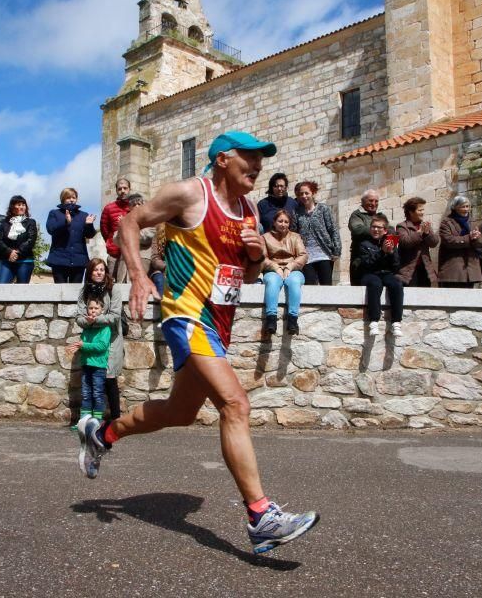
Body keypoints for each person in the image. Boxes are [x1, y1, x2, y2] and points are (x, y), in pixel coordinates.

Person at [77, 130, 319, 555]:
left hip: (219, 323)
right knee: (235, 404)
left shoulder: (248, 212)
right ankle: (261, 516)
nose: (259, 166)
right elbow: (129, 223)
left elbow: (243, 277)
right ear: (224, 159)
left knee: (180, 412)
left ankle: (102, 436)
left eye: (262, 159)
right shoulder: (190, 194)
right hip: (185, 314)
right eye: (251, 157)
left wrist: (252, 254)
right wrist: (136, 276)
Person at [75, 258, 125, 427]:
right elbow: (79, 318)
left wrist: (93, 320)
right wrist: (87, 321)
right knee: (90, 382)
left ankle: (116, 419)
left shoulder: (114, 289)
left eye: (102, 269)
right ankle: (92, 420)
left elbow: (115, 316)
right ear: (90, 272)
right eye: (95, 270)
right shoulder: (84, 291)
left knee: (110, 378)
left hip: (110, 339)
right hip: (92, 340)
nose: (99, 272)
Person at [67, 297, 113, 427]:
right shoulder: (87, 327)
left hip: (99, 366)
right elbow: (83, 343)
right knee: (86, 394)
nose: (93, 311)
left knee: (98, 393)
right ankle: (84, 421)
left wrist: (83, 345)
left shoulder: (105, 328)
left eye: (96, 308)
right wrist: (78, 346)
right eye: (91, 308)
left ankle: (97, 421)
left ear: (102, 310)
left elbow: (101, 346)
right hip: (86, 364)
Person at [355, 214, 403, 336]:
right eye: (373, 227)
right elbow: (368, 264)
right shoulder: (364, 244)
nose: (375, 230)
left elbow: (396, 266)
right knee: (375, 283)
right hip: (369, 273)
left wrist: (391, 253)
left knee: (396, 284)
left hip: (386, 273)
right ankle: (374, 320)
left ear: (385, 230)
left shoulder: (390, 242)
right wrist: (382, 252)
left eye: (379, 228)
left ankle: (396, 321)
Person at [261, 209, 307, 335]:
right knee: (272, 282)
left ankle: (293, 320)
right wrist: (275, 267)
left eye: (286, 222)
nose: (283, 224)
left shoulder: (295, 237)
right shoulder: (265, 237)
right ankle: (271, 319)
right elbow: (262, 258)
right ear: (274, 222)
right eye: (280, 221)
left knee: (294, 282)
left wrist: (290, 266)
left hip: (293, 269)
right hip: (272, 269)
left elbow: (303, 255)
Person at [45, 188, 97, 283]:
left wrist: (89, 224)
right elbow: (51, 229)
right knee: (60, 292)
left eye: (74, 197)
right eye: (68, 197)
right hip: (59, 259)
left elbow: (89, 235)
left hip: (79, 260)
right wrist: (66, 223)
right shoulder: (54, 213)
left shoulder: (83, 215)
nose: (72, 200)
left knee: (75, 293)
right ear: (63, 199)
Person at [294, 181, 340, 285]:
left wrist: (336, 250)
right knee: (309, 286)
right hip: (306, 257)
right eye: (301, 194)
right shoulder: (297, 213)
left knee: (326, 286)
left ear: (313, 193)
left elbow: (333, 229)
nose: (304, 196)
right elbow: (294, 233)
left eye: (306, 193)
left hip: (324, 255)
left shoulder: (323, 209)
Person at [437, 195, 482, 288]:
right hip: (453, 269)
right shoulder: (446, 222)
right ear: (455, 208)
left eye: (468, 206)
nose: (466, 209)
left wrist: (477, 238)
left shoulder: (472, 222)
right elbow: (449, 240)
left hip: (470, 269)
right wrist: (469, 237)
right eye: (463, 206)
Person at [348, 189, 390, 286]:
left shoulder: (381, 215)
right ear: (363, 201)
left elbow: (390, 229)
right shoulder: (356, 215)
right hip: (360, 262)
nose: (374, 203)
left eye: (376, 201)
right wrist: (379, 230)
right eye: (370, 201)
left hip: (379, 259)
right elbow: (357, 229)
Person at [396, 197, 439, 287]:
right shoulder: (402, 226)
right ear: (411, 212)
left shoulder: (424, 225)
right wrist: (419, 233)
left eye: (423, 210)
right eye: (420, 210)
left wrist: (427, 233)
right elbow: (405, 242)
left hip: (425, 268)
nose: (422, 212)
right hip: (409, 270)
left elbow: (434, 243)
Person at [0, 196, 38, 284]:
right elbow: (0, 241)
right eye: (18, 205)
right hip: (8, 260)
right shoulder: (4, 223)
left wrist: (18, 252)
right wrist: (9, 252)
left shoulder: (31, 222)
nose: (21, 207)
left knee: (22, 290)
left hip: (25, 260)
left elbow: (31, 239)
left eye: (23, 205)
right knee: (1, 287)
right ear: (12, 207)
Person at [100, 178, 132, 282]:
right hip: (114, 254)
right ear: (116, 191)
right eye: (119, 189)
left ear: (129, 189)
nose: (122, 191)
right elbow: (104, 229)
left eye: (125, 188)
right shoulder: (108, 209)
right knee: (111, 285)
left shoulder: (135, 207)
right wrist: (111, 243)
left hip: (131, 254)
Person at [148, 224, 167, 296]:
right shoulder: (158, 235)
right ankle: (163, 305)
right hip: (161, 271)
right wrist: (166, 265)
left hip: (179, 270)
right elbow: (155, 258)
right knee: (159, 279)